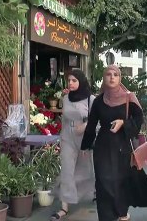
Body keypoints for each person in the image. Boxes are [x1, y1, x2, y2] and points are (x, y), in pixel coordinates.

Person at [81, 65, 147, 221]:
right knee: (103, 182)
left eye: (115, 75)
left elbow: (139, 120)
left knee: (119, 182)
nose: (112, 77)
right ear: (104, 78)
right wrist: (85, 146)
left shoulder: (129, 98)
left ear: (120, 79)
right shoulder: (98, 101)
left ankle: (121, 212)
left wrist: (123, 123)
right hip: (103, 146)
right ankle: (106, 217)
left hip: (122, 146)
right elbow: (91, 126)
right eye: (108, 74)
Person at [51, 70, 95, 220]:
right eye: (69, 80)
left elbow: (98, 120)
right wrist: (62, 136)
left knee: (85, 168)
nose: (70, 83)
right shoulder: (66, 98)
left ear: (81, 81)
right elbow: (64, 119)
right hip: (67, 137)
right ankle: (64, 207)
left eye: (74, 80)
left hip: (84, 137)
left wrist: (86, 125)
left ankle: (92, 191)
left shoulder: (91, 99)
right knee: (67, 170)